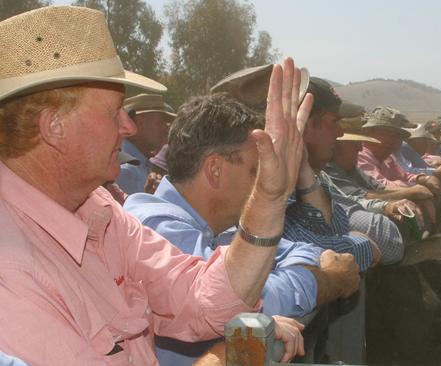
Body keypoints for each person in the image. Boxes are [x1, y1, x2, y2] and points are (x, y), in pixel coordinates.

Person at [0, 6, 306, 364]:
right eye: (115, 112)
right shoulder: (11, 271)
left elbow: (201, 300)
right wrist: (223, 358)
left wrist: (269, 198)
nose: (128, 128)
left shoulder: (97, 208)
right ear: (55, 126)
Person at [124, 92, 359, 366]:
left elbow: (303, 251)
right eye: (255, 171)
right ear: (214, 170)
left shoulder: (223, 228)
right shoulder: (153, 227)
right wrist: (321, 281)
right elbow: (232, 301)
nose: (264, 182)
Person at [213, 70, 404, 268]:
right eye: (334, 122)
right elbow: (287, 251)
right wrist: (357, 243)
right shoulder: (244, 184)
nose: (340, 133)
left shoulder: (291, 173)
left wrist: (304, 170)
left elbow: (332, 226)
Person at [117, 93, 176, 194]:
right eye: (160, 123)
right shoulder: (125, 170)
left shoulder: (139, 165)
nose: (166, 129)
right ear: (140, 123)